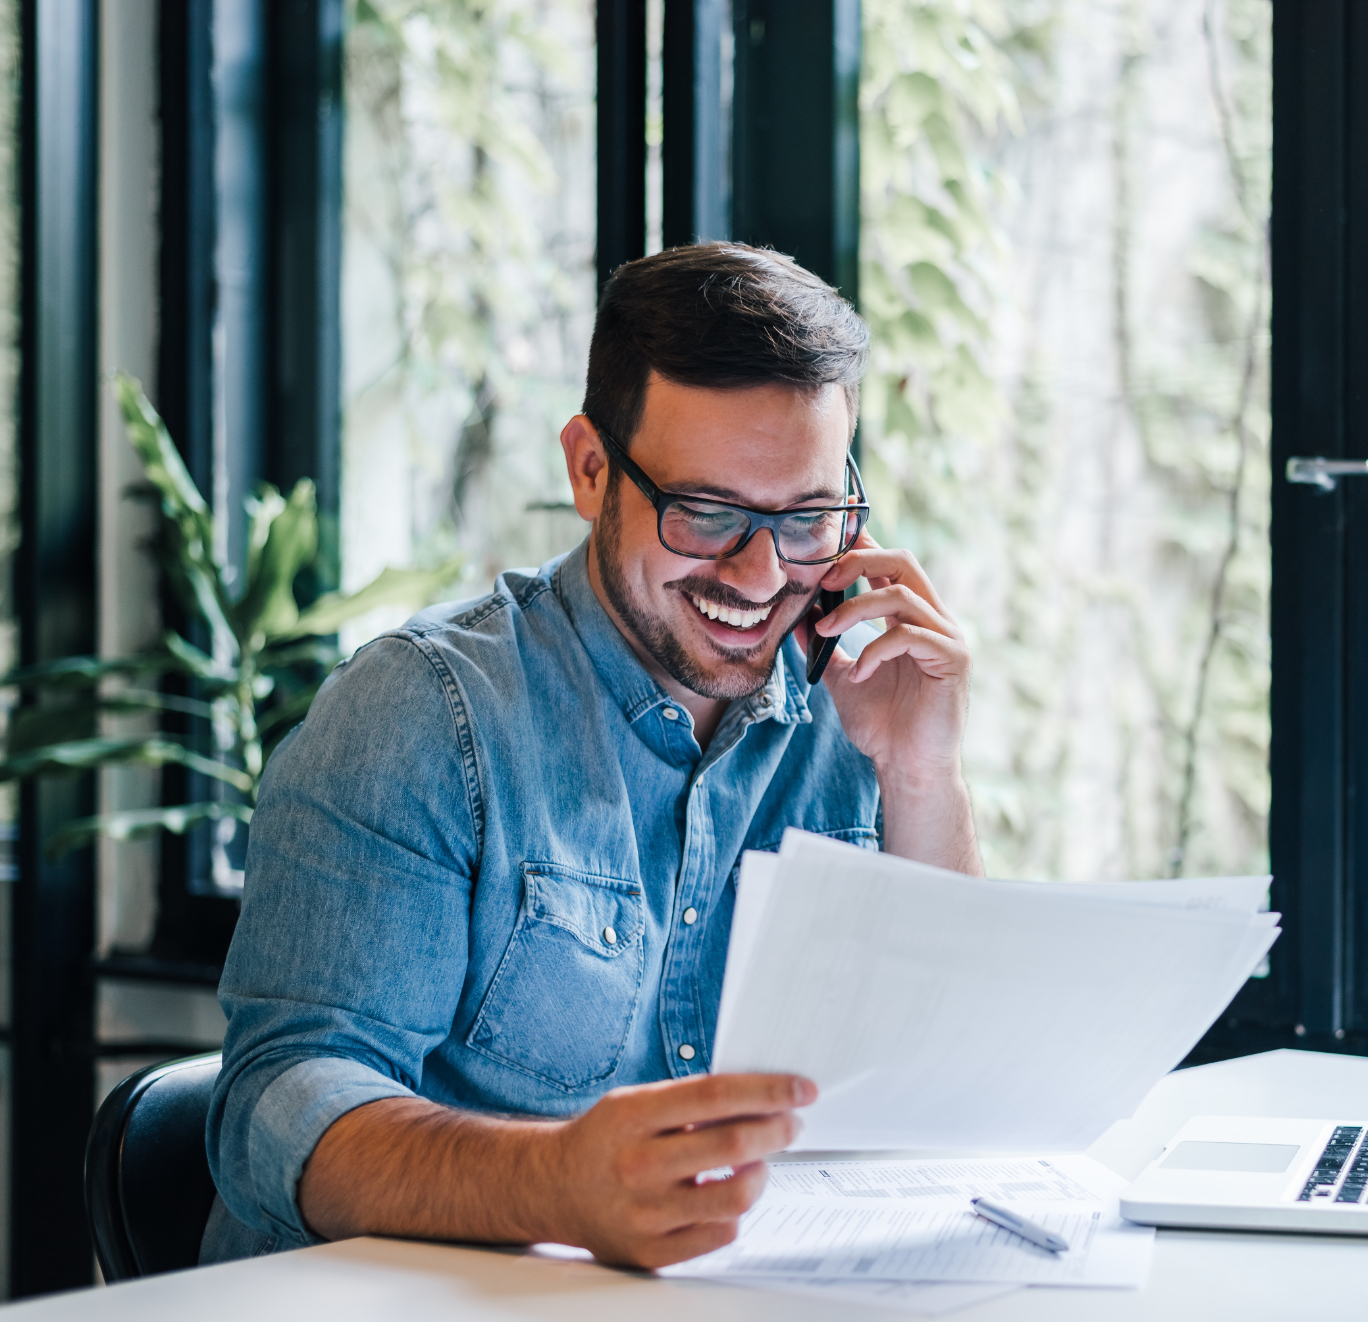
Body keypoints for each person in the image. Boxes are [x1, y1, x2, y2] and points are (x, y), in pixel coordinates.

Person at [202, 243, 982, 1268]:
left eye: (805, 518)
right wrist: (556, 1184)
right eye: (704, 511)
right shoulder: (423, 713)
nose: (760, 574)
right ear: (589, 468)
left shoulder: (855, 697)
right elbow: (281, 1101)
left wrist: (923, 772)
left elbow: (955, 1076)